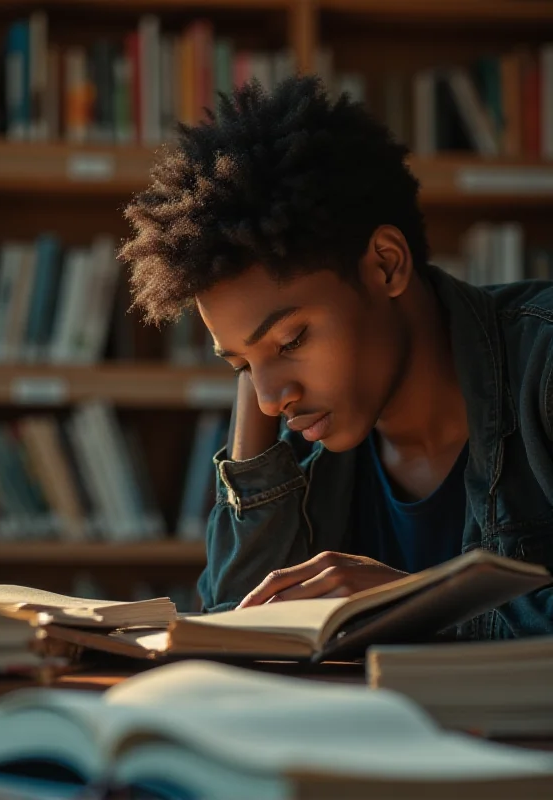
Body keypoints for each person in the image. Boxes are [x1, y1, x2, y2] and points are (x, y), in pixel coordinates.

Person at [120, 76, 553, 639]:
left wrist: (417, 605)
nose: (274, 402)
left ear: (387, 265)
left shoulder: (542, 366)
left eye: (293, 340)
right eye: (240, 369)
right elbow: (236, 628)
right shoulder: (304, 438)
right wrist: (257, 374)